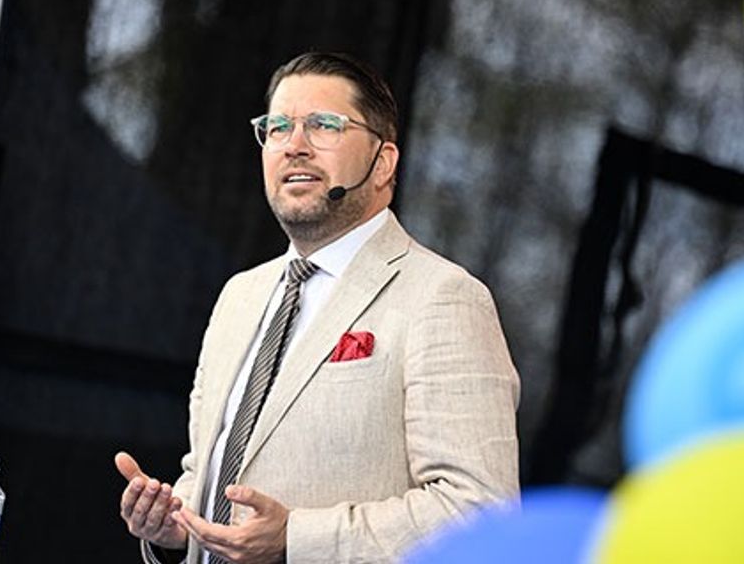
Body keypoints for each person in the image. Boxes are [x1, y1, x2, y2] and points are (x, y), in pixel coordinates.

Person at [115, 51, 520, 563]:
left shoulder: (443, 297)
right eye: (278, 127)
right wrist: (177, 524)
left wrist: (296, 540)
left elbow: (481, 513)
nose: (295, 146)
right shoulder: (240, 296)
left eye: (324, 125)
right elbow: (212, 475)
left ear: (383, 162)